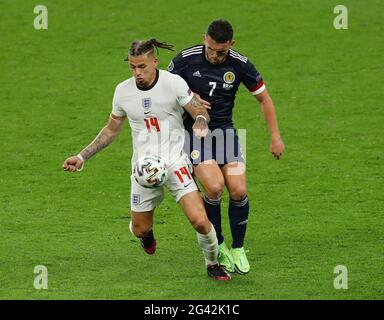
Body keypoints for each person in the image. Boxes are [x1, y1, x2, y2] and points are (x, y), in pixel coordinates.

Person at [62, 38, 231, 280]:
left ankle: (212, 263)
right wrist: (82, 156)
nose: (137, 73)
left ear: (154, 61)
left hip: (174, 162)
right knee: (140, 228)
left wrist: (201, 122)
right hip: (144, 170)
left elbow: (198, 110)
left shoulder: (173, 83)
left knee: (200, 221)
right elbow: (111, 130)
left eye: (142, 66)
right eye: (132, 67)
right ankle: (146, 235)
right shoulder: (122, 92)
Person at [169, 20, 285, 274]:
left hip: (225, 133)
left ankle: (239, 247)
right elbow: (164, 92)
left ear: (231, 45)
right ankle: (218, 244)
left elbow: (264, 99)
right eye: (210, 48)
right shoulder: (185, 60)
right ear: (204, 39)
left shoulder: (240, 64)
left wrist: (275, 137)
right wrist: (189, 99)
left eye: (221, 51)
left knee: (239, 190)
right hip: (194, 134)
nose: (214, 55)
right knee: (213, 186)